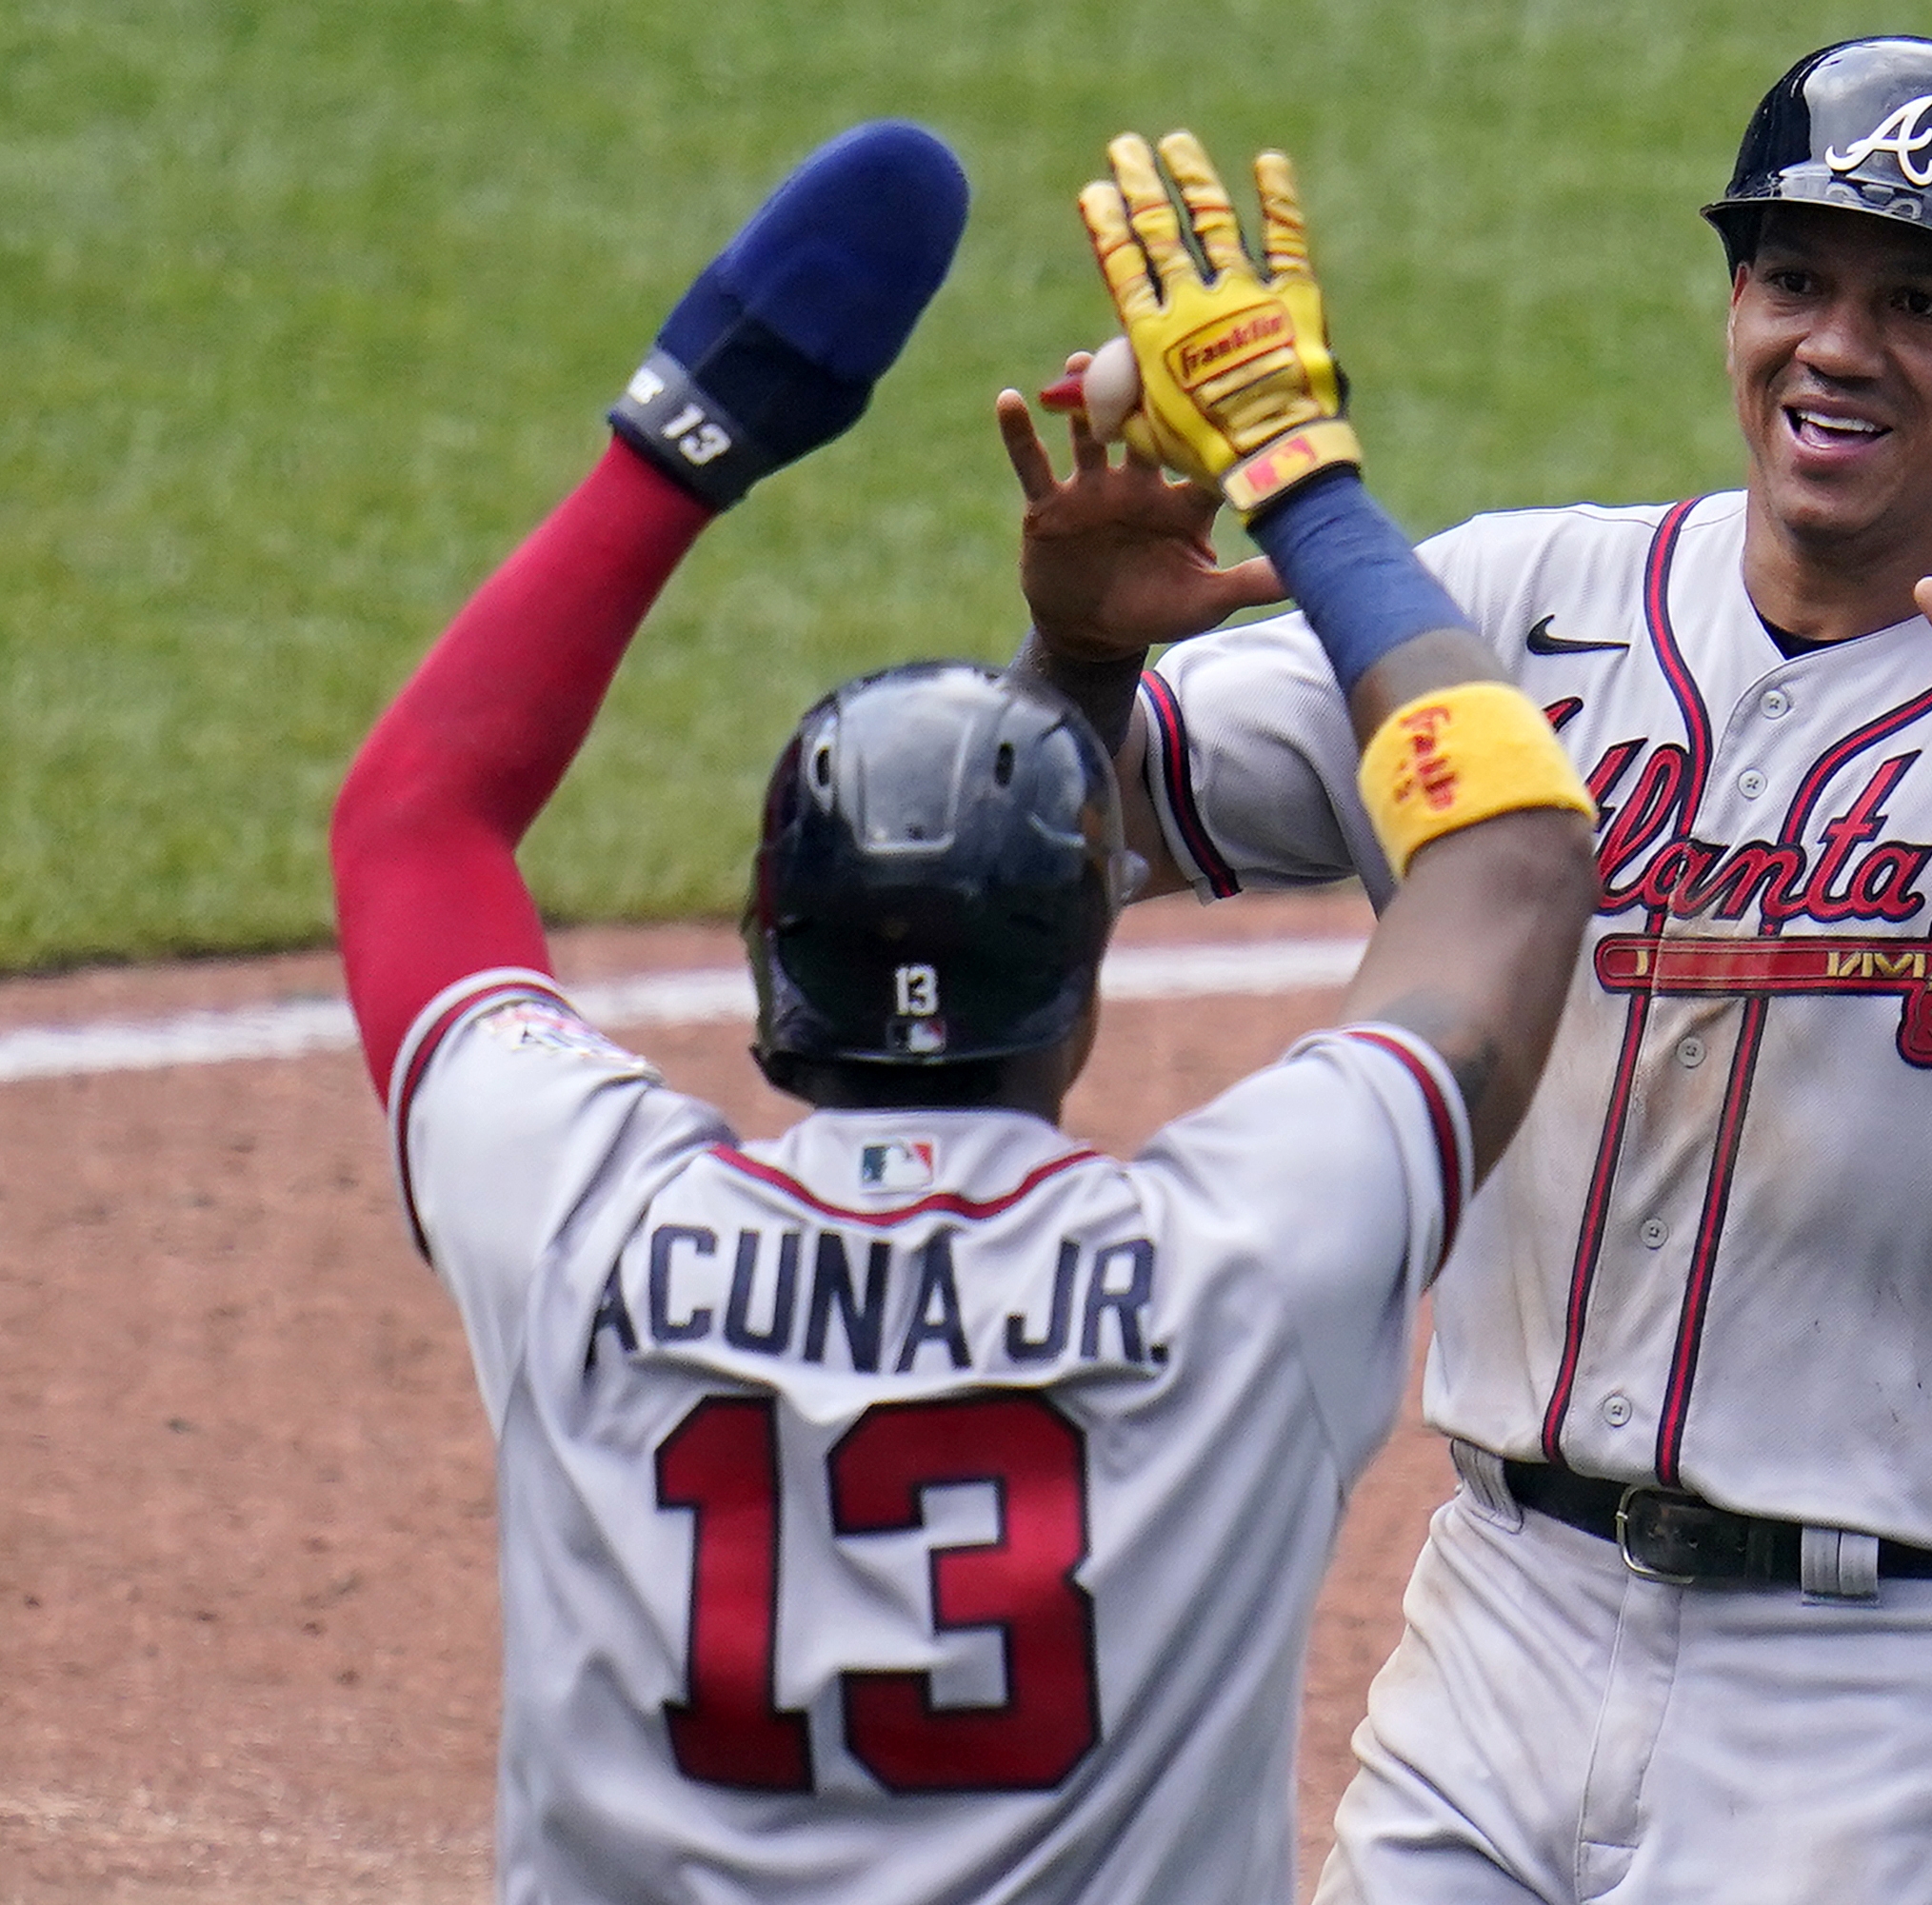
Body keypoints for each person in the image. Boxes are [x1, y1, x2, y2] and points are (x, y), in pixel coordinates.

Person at [1023, 37, 1932, 1904]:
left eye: (1919, 303)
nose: (1839, 347)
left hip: (1881, 1708)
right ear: (1734, 300)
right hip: (1500, 1628)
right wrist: (1071, 658)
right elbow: (1017, 866)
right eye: (1795, 279)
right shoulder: (1517, 607)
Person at [329, 119, 1595, 1903]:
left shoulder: (581, 1222)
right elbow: (1519, 856)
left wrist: (683, 444)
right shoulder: (1241, 1265)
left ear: (770, 953)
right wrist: (1300, 473)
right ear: (1085, 974)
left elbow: (413, 817)